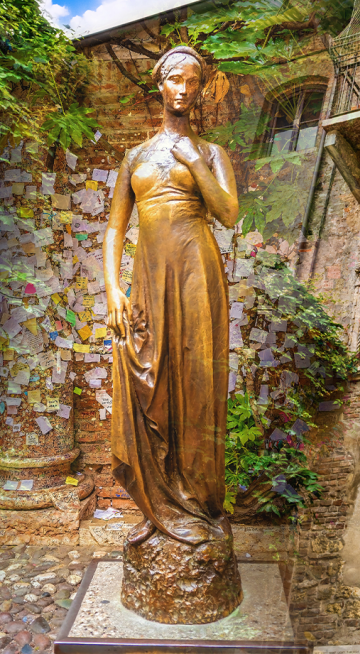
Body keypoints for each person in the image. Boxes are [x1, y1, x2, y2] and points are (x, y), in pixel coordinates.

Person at [103, 45, 239, 547]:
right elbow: (115, 229)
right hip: (148, 275)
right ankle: (156, 505)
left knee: (197, 383)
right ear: (160, 84)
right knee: (146, 379)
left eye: (193, 83)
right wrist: (114, 287)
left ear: (201, 91)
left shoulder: (211, 153)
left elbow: (227, 212)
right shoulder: (134, 157)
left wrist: (195, 165)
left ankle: (200, 505)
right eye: (175, 80)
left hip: (196, 272)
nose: (184, 89)